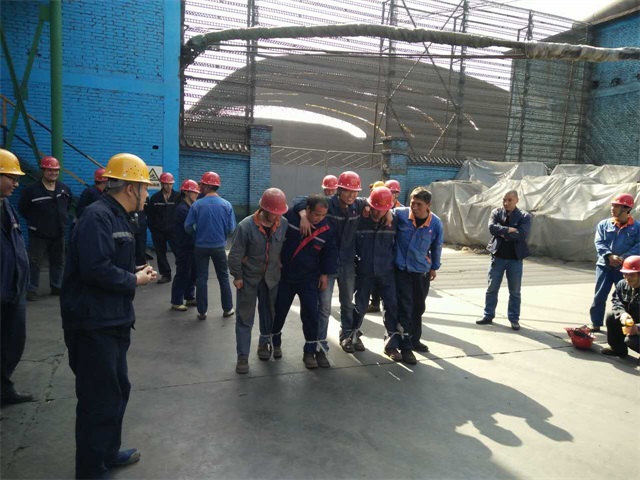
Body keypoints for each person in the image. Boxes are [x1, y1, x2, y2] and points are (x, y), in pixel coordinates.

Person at [60, 153, 157, 479]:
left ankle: (108, 451)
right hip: (92, 323)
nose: (146, 194)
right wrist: (134, 280)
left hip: (114, 320)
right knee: (97, 398)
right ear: (130, 188)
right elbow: (94, 269)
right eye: (144, 188)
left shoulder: (119, 217)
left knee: (117, 389)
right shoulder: (96, 217)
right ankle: (90, 469)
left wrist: (135, 270)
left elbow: (109, 261)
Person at [295, 171, 368, 354]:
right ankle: (320, 342)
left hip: (348, 263)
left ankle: (347, 335)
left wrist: (386, 212)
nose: (351, 195)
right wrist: (303, 215)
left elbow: (376, 201)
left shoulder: (358, 205)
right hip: (327, 264)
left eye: (355, 191)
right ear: (339, 189)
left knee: (347, 302)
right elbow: (300, 200)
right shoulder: (328, 204)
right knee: (324, 307)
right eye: (347, 191)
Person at [351, 187, 417, 364]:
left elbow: (417, 210)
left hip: (386, 271)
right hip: (364, 271)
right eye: (375, 208)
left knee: (391, 306)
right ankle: (352, 335)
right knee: (359, 304)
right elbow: (351, 201)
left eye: (383, 210)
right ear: (369, 205)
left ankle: (391, 345)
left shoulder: (394, 220)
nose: (378, 213)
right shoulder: (360, 219)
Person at [272, 194, 336, 369]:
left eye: (323, 215)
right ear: (307, 210)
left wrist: (325, 274)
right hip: (286, 276)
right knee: (279, 310)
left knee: (310, 315)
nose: (319, 218)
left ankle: (309, 351)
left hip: (309, 278)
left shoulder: (327, 228)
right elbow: (277, 237)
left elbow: (329, 252)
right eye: (316, 214)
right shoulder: (291, 217)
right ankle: (274, 342)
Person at [229, 188, 289, 374]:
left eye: (280, 213)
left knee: (269, 314)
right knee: (244, 318)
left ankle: (264, 344)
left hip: (271, 278)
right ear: (264, 209)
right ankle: (242, 357)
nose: (277, 217)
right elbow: (235, 254)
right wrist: (237, 276)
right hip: (248, 278)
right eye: (273, 213)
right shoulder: (246, 226)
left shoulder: (283, 223)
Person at [0, 149, 33, 405]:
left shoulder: (6, 205)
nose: (16, 183)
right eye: (11, 177)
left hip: (13, 289)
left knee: (13, 342)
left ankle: (3, 387)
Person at [395, 187, 443, 353]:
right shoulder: (401, 215)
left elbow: (437, 247)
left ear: (428, 205)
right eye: (412, 203)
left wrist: (434, 267)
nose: (414, 207)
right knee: (405, 306)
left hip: (421, 271)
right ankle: (404, 342)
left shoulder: (435, 223)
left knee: (418, 307)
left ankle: (415, 340)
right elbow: (384, 210)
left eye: (419, 204)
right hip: (402, 270)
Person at [18, 155, 73, 301]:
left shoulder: (64, 189)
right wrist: (36, 222)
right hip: (39, 233)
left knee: (58, 261)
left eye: (56, 170)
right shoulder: (31, 190)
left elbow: (67, 206)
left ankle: (56, 286)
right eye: (50, 170)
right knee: (35, 262)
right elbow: (23, 208)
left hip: (58, 232)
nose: (53, 173)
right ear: (43, 170)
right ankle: (31, 289)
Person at [476, 190, 531, 331]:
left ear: (517, 200)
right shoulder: (496, 212)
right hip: (498, 257)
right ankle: (488, 315)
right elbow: (492, 228)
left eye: (510, 200)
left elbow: (522, 234)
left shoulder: (524, 216)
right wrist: (510, 230)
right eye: (504, 200)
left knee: (515, 291)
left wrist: (503, 233)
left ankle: (514, 319)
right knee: (492, 288)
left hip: (515, 259)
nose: (506, 203)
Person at [184, 171, 235, 320]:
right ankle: (227, 309)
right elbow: (231, 228)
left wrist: (198, 232)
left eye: (202, 185)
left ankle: (202, 311)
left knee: (201, 278)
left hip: (200, 247)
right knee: (223, 277)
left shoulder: (197, 205)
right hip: (219, 246)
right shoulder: (226, 205)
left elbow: (187, 227)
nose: (200, 188)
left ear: (206, 186)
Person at [590, 193, 639, 332]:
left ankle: (627, 325)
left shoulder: (637, 227)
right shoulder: (604, 224)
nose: (612, 208)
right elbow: (599, 242)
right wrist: (609, 256)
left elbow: (639, 245)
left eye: (616, 206)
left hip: (625, 269)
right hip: (604, 266)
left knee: (626, 297)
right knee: (599, 295)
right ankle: (596, 323)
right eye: (612, 205)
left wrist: (622, 258)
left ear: (626, 209)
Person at [602, 255, 639, 358]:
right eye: (625, 274)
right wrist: (622, 314)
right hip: (631, 320)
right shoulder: (622, 284)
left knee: (632, 340)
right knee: (611, 315)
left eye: (632, 275)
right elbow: (616, 301)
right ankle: (617, 349)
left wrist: (638, 328)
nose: (627, 278)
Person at [170, 180, 200, 311]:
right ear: (186, 192)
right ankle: (176, 301)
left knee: (192, 272)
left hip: (191, 246)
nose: (197, 195)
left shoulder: (189, 207)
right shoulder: (182, 209)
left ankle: (189, 297)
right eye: (194, 192)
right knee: (183, 273)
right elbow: (193, 226)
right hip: (184, 246)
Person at [146, 172, 180, 284]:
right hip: (159, 232)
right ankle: (166, 274)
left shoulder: (178, 197)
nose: (168, 186)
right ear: (161, 184)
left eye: (170, 184)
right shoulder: (155, 198)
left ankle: (182, 272)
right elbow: (150, 215)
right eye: (166, 184)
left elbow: (182, 213)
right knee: (160, 253)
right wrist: (154, 229)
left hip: (174, 231)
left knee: (179, 252)